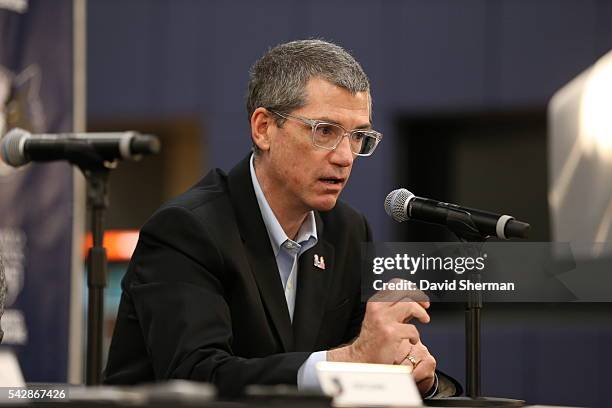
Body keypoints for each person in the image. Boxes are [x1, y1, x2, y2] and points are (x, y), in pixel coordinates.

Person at [104, 39, 460, 398]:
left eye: (357, 137)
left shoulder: (347, 230)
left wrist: (412, 375)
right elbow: (196, 376)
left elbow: (359, 368)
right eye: (325, 131)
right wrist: (351, 358)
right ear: (263, 129)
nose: (345, 157)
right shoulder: (187, 229)